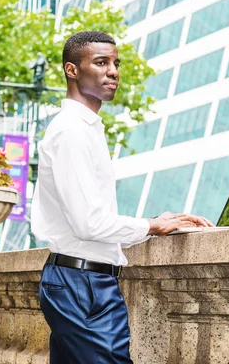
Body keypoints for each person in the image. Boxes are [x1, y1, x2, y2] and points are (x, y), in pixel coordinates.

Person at [31, 31, 213, 364]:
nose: (113, 71)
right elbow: (88, 223)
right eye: (101, 63)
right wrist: (150, 226)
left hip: (79, 280)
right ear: (72, 70)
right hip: (83, 285)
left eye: (116, 63)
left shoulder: (83, 127)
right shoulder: (72, 130)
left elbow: (88, 220)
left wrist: (158, 222)